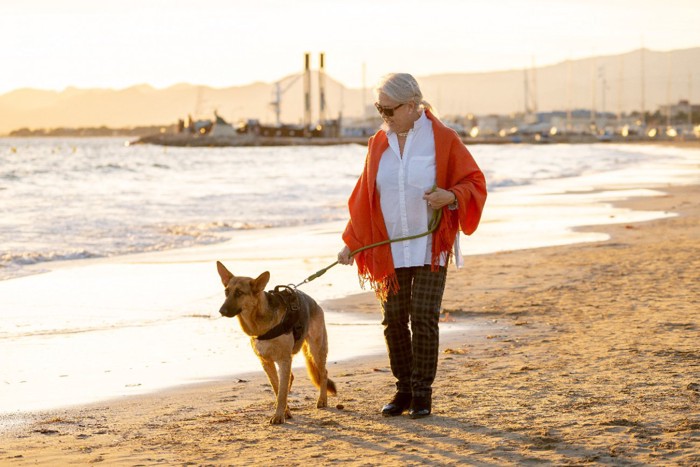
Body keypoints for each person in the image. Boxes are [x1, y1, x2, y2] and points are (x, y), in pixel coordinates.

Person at [337, 73, 487, 419]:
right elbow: (366, 198)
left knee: (422, 316)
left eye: (388, 109)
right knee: (392, 319)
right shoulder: (379, 143)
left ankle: (422, 393)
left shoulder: (442, 138)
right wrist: (351, 242)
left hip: (430, 245)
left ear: (411, 106)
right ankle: (403, 388)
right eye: (379, 109)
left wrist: (450, 196)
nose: (383, 116)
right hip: (388, 247)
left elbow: (474, 181)